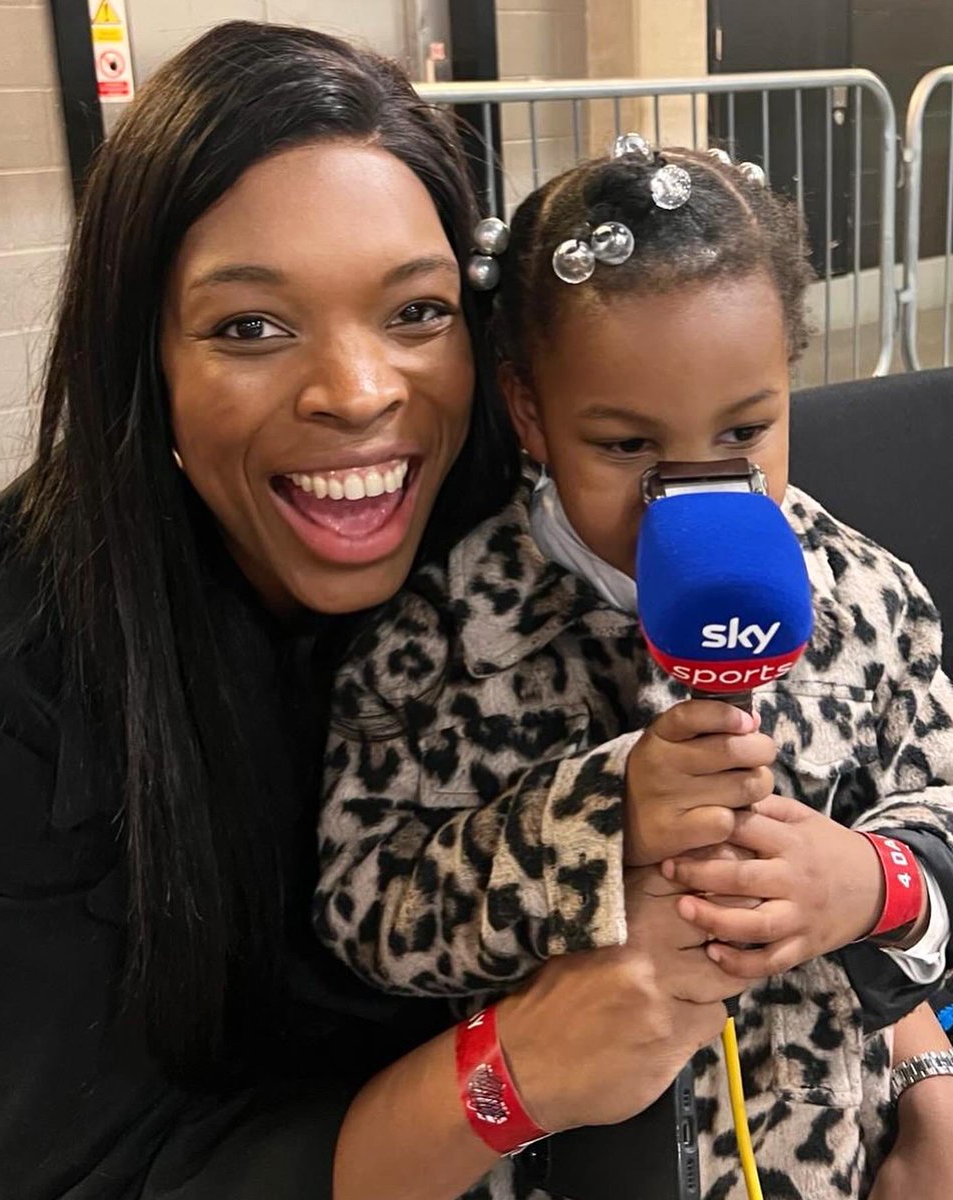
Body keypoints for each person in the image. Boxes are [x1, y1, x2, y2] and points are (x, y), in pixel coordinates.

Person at [0, 28, 749, 1200]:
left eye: (415, 313)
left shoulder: (528, 510)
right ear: (139, 358)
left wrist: (919, 1067)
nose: (357, 393)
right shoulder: (26, 670)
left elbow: (802, 767)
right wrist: (509, 1075)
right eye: (250, 326)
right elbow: (84, 1168)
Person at [315, 142, 953, 1198]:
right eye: (625, 446)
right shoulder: (435, 644)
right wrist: (598, 821)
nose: (692, 485)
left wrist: (866, 884)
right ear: (531, 413)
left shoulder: (875, 600)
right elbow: (366, 913)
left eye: (745, 429)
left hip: (833, 1157)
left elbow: (940, 814)